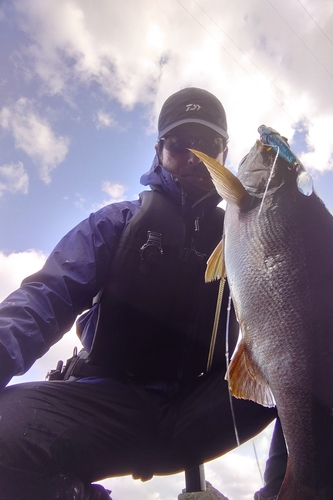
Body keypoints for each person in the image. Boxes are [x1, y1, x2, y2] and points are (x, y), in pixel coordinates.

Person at [0, 88, 280, 500]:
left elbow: (286, 310)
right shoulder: (115, 223)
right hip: (105, 403)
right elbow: (45, 296)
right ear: (158, 150)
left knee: (323, 352)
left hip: (197, 411)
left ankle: (290, 490)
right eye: (179, 145)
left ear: (224, 153)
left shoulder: (245, 235)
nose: (192, 157)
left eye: (207, 145)